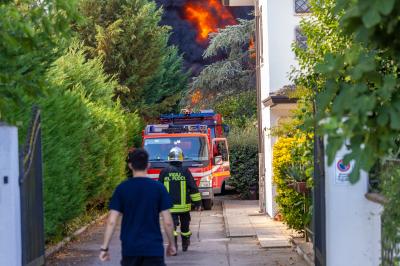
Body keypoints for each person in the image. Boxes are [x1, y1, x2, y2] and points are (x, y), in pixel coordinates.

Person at [99, 148, 176, 266]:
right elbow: (168, 222)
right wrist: (172, 243)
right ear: (148, 165)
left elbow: (111, 221)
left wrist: (105, 248)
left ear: (130, 166)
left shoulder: (122, 189)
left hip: (130, 250)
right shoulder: (158, 188)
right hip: (153, 249)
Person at [158, 147, 202, 253]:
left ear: (170, 158)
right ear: (181, 158)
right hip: (184, 208)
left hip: (170, 208)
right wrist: (198, 204)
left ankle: (173, 246)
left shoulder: (164, 172)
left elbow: (159, 189)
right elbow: (193, 188)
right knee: (185, 227)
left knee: (171, 227)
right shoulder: (185, 171)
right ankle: (185, 243)